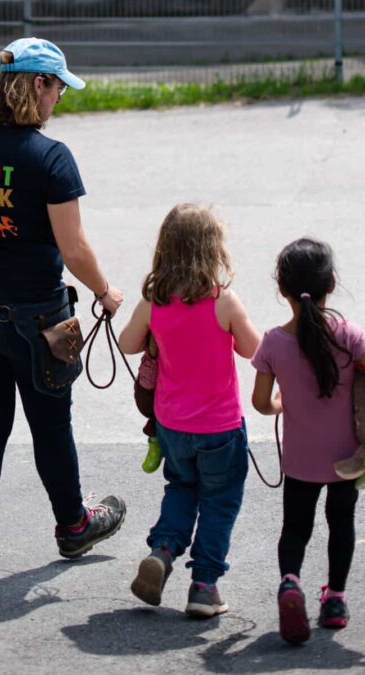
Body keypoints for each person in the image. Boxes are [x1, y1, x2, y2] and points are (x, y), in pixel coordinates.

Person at [0, 37, 126, 593]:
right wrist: (106, 292)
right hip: (34, 319)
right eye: (57, 87)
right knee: (49, 425)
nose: (59, 98)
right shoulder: (50, 157)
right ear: (37, 84)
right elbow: (75, 248)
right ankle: (73, 525)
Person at [250, 238, 365, 644]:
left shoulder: (273, 342)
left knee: (295, 527)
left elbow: (261, 403)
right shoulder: (348, 334)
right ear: (331, 283)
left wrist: (284, 403)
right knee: (341, 523)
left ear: (281, 289)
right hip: (345, 458)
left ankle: (290, 583)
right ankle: (334, 599)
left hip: (299, 460)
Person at [118, 204, 260, 617]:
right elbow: (253, 350)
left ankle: (162, 551)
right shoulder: (223, 302)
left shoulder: (153, 301)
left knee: (181, 489)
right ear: (212, 251)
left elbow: (128, 343)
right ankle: (204, 587)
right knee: (219, 502)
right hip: (220, 429)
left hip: (172, 427)